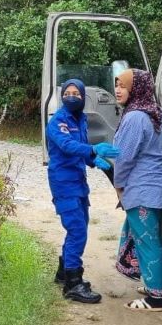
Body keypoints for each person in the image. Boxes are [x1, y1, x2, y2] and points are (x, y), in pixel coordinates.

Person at [112, 69, 162, 311]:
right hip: (157, 190)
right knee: (150, 238)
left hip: (142, 190)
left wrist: (119, 187)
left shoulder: (135, 117)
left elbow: (123, 159)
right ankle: (153, 284)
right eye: (116, 85)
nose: (117, 90)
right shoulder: (152, 113)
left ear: (136, 89)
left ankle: (156, 298)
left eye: (123, 86)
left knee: (149, 243)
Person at [46, 78, 120, 304]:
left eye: (76, 93)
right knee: (77, 230)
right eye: (67, 92)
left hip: (78, 180)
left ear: (82, 96)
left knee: (80, 225)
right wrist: (93, 149)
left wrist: (93, 159)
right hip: (63, 181)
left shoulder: (82, 120)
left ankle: (63, 271)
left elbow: (79, 149)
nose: (71, 96)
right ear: (62, 97)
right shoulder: (58, 121)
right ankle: (73, 284)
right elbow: (67, 146)